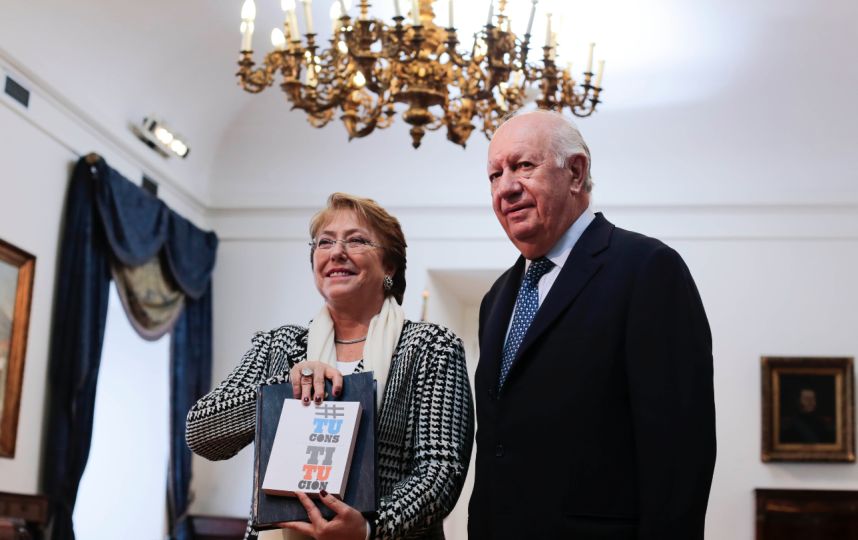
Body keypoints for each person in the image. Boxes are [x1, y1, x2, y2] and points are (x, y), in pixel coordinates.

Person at [468, 110, 716, 539]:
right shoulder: (496, 299)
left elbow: (679, 455)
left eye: (524, 166)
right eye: (494, 175)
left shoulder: (647, 270)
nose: (506, 187)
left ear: (576, 172)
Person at [187, 193, 474, 539]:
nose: (337, 252)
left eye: (356, 240)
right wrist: (286, 387)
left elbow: (440, 469)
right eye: (325, 242)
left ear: (389, 266)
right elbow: (202, 433)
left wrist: (369, 528)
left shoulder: (430, 347)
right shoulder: (278, 345)